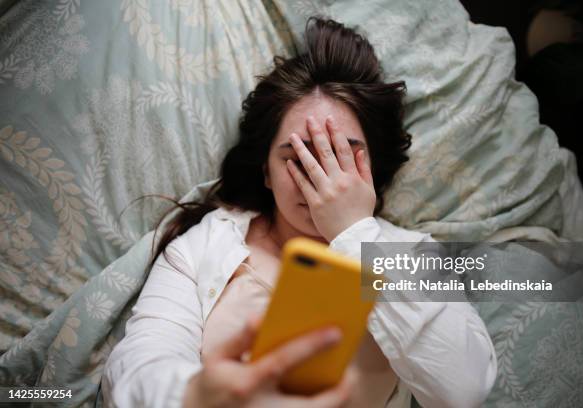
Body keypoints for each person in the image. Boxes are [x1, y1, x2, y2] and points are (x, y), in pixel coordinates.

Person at [102, 16, 497, 408]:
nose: (321, 178)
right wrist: (196, 394)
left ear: (373, 172)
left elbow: (463, 390)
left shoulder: (410, 254)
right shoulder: (203, 246)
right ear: (267, 172)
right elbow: (138, 366)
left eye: (343, 157)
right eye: (298, 157)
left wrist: (355, 234)